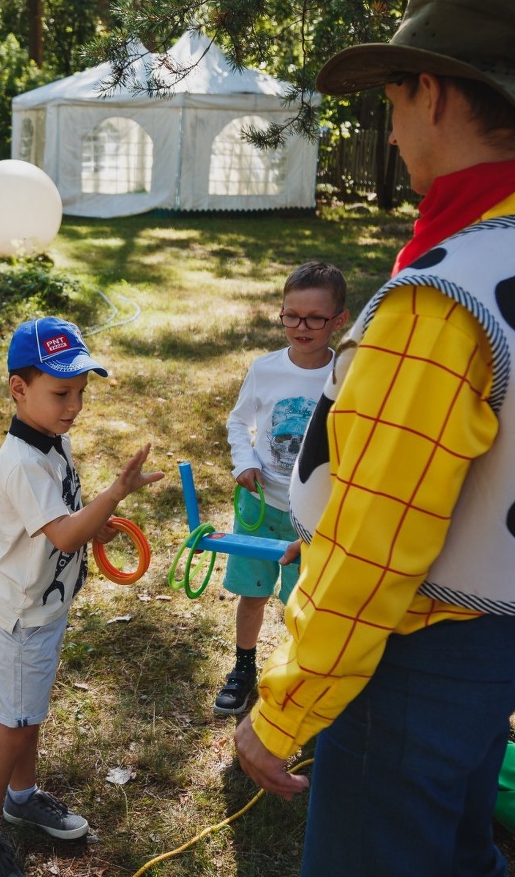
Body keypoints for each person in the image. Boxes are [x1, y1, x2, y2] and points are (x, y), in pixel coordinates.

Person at [233, 0, 515, 877]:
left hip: (407, 655)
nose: (394, 126)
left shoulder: (441, 299)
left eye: (394, 98)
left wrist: (284, 711)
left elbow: (381, 542)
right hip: (498, 637)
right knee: (452, 851)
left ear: (434, 92)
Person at [0, 317, 163, 877]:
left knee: (29, 715)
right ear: (18, 389)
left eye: (79, 392)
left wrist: (95, 525)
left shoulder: (52, 440)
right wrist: (116, 492)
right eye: (60, 393)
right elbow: (64, 532)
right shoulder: (22, 461)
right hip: (22, 618)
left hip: (45, 610)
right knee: (13, 728)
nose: (73, 405)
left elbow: (69, 519)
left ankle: (22, 798)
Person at [213, 262, 349, 716]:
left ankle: (295, 675)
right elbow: (238, 421)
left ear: (339, 320)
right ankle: (244, 667)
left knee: (302, 604)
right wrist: (245, 460)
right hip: (261, 508)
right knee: (252, 594)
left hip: (312, 519)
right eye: (291, 315)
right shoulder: (265, 369)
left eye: (314, 318)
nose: (301, 327)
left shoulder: (347, 378)